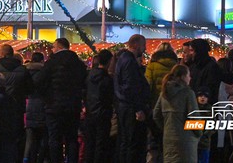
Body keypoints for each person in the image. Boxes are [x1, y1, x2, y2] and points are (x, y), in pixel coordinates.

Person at [33, 37, 87, 163]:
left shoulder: (52, 62)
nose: (52, 49)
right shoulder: (78, 63)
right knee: (71, 138)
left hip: (54, 106)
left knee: (55, 138)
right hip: (73, 106)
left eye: (53, 47)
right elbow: (84, 83)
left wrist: (46, 95)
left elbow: (38, 81)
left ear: (59, 47)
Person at [114, 34, 151, 163]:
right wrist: (138, 109)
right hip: (130, 108)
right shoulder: (130, 61)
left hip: (123, 107)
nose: (145, 49)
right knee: (132, 142)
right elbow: (131, 87)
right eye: (143, 45)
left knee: (125, 141)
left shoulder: (123, 59)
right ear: (136, 45)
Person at [152, 64, 199, 163]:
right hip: (186, 140)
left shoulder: (164, 93)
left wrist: (166, 128)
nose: (190, 78)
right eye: (188, 75)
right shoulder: (188, 93)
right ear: (182, 77)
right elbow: (194, 117)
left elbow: (156, 115)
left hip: (168, 138)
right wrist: (199, 133)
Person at [83, 49, 114, 163]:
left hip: (90, 113)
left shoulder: (90, 75)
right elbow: (108, 97)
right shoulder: (107, 79)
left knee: (89, 145)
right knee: (101, 145)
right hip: (103, 114)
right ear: (109, 61)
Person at [23, 52, 47, 163]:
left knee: (30, 138)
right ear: (42, 61)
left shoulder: (25, 72)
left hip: (29, 106)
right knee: (43, 138)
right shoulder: (46, 72)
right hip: (43, 106)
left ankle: (28, 159)